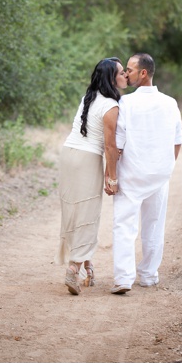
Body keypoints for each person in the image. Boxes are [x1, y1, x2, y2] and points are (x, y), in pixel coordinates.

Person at [109, 53, 182, 295]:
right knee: (154, 225)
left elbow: (118, 144)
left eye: (130, 69)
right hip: (159, 175)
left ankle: (123, 278)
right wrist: (165, 166)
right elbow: (177, 141)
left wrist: (111, 174)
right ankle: (149, 275)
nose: (126, 73)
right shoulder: (170, 103)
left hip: (131, 174)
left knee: (124, 225)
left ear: (143, 73)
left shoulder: (126, 103)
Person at [56, 57, 128, 295]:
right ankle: (74, 269)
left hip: (68, 154)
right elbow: (110, 147)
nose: (125, 76)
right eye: (120, 73)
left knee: (75, 211)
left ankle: (88, 267)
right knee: (88, 214)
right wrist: (112, 177)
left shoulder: (89, 97)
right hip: (87, 160)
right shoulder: (111, 106)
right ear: (111, 78)